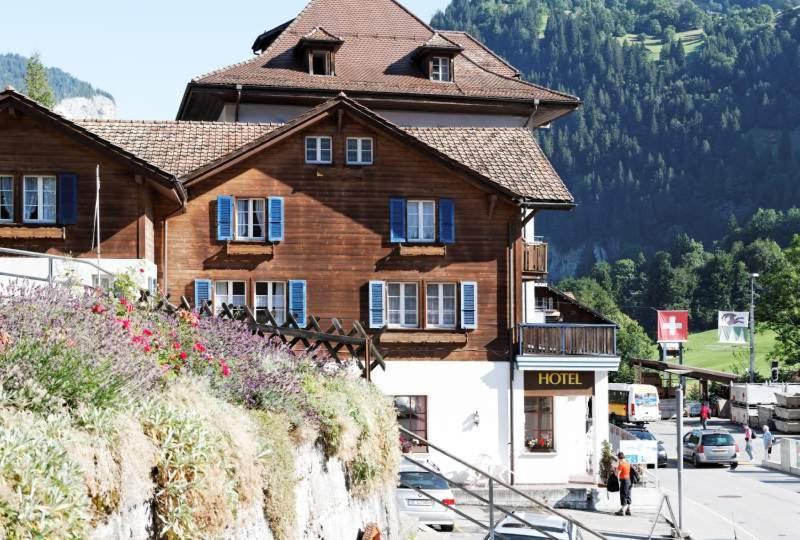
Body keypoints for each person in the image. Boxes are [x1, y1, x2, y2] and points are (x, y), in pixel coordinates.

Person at [615, 452, 633, 516]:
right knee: (628, 494)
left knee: (623, 495)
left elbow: (617, 474)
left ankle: (622, 511)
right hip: (629, 480)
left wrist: (616, 468)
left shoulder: (621, 465)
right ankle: (628, 509)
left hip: (624, 481)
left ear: (619, 458)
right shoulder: (628, 463)